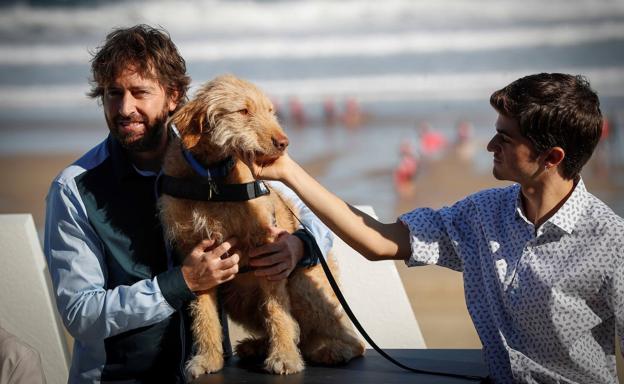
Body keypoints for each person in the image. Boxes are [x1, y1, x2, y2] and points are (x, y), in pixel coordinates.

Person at [249, 73, 624, 383]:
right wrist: (287, 171)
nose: (490, 144)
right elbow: (380, 242)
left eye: (505, 138)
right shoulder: (481, 213)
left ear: (551, 157)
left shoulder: (612, 243)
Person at [43, 24, 332, 383]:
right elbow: (79, 313)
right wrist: (181, 282)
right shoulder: (73, 189)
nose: (124, 108)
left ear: (173, 95)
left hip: (216, 374)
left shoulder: (227, 151)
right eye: (113, 94)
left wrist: (296, 247)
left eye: (139, 93)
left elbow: (317, 223)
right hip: (121, 379)